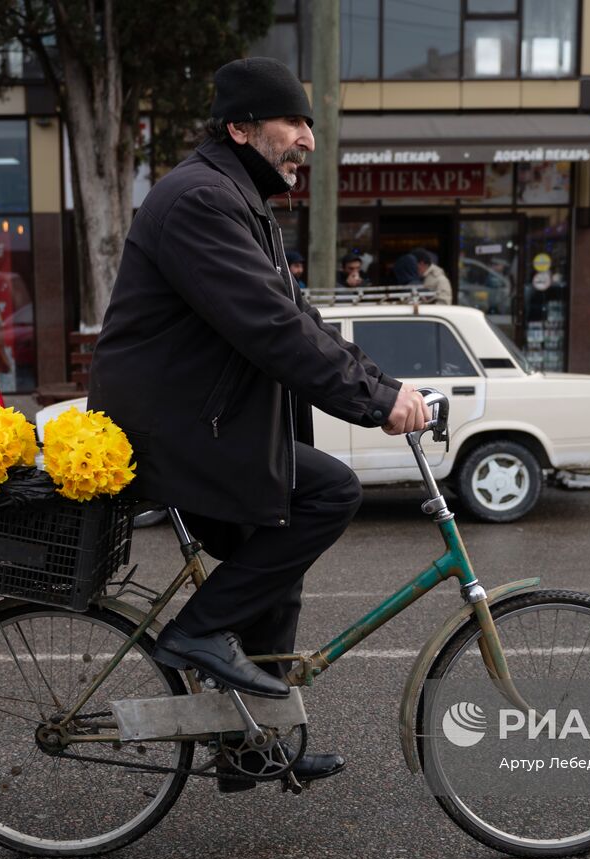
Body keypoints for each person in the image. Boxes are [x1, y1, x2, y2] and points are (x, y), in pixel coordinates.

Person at [87, 57, 429, 792]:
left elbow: (303, 321)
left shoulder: (238, 200)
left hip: (202, 421)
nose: (308, 138)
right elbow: (270, 327)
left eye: (310, 124)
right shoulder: (201, 202)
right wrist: (373, 406)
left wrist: (385, 387)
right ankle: (196, 632)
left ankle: (253, 745)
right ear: (240, 128)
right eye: (293, 123)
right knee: (328, 492)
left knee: (277, 571)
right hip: (174, 429)